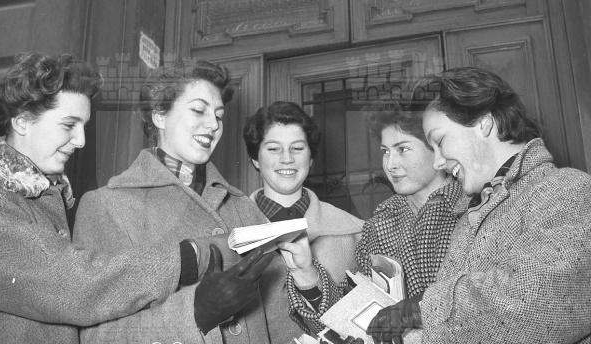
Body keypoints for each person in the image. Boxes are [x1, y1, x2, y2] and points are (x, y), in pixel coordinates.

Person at [0, 52, 231, 344]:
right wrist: (185, 259)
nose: (81, 140)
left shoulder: (32, 195)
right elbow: (70, 285)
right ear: (22, 122)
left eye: (83, 126)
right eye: (68, 125)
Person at [368, 66, 591, 344]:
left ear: (485, 123)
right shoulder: (471, 215)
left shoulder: (567, 188)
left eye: (440, 141)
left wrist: (421, 308)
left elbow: (539, 297)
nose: (437, 162)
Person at [74, 60, 277, 344]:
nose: (213, 125)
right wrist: (194, 314)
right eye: (198, 110)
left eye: (219, 115)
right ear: (159, 115)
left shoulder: (242, 207)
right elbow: (96, 337)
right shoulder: (106, 206)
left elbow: (278, 318)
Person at [281, 99, 465, 337]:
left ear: (437, 148)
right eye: (385, 151)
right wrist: (307, 274)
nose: (390, 164)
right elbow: (353, 316)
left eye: (403, 149)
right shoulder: (379, 225)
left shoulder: (475, 208)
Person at [243, 101, 364, 342]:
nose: (287, 159)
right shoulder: (227, 227)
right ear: (255, 158)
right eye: (274, 149)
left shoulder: (356, 232)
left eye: (297, 148)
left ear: (310, 158)